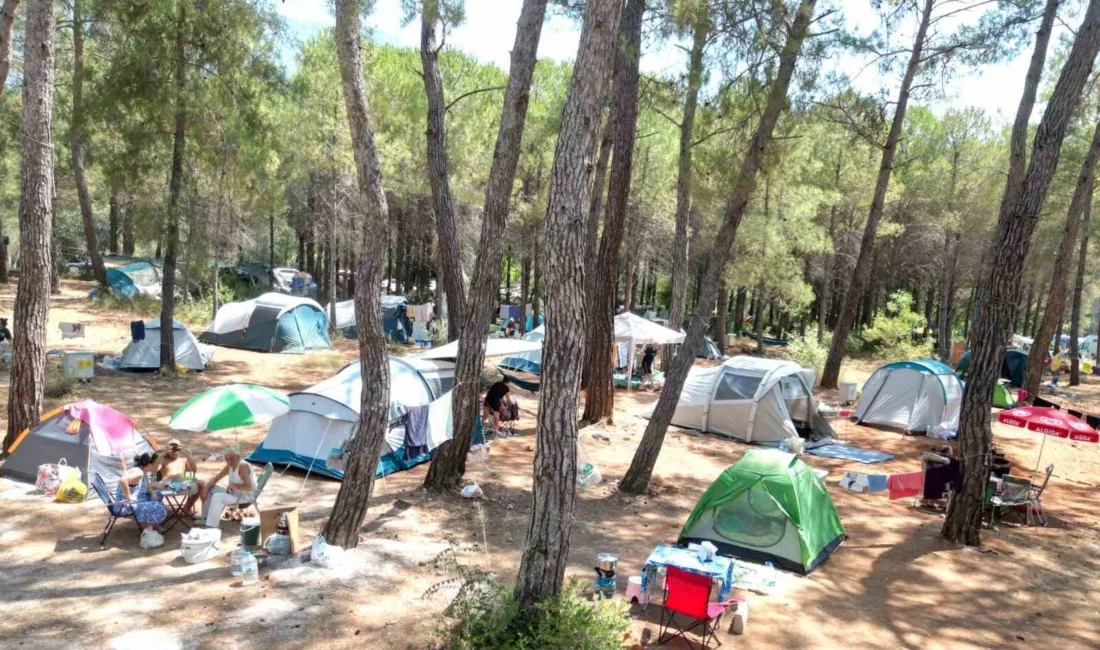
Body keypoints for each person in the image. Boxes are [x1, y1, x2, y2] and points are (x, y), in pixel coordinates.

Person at [117, 452, 169, 543]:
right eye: (157, 464)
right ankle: (148, 530)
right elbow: (123, 480)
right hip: (126, 506)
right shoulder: (139, 472)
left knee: (158, 495)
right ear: (149, 464)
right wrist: (129, 497)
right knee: (157, 507)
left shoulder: (142, 471)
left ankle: (152, 526)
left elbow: (147, 486)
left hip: (137, 500)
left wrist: (155, 490)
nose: (158, 467)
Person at [199, 447, 256, 528]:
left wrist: (234, 486)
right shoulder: (229, 466)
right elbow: (216, 478)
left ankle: (212, 525)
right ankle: (205, 518)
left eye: (231, 458)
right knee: (210, 488)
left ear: (238, 457)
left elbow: (249, 487)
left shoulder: (243, 467)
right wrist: (205, 489)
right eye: (227, 459)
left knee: (217, 497)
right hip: (233, 494)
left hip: (244, 498)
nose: (229, 461)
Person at [159, 439, 203, 517]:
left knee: (201, 483)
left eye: (176, 448)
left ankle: (187, 507)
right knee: (173, 477)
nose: (174, 450)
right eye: (171, 448)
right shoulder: (164, 460)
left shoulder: (183, 460)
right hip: (168, 486)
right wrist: (163, 453)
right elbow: (155, 469)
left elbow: (194, 469)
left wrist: (186, 454)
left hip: (182, 485)